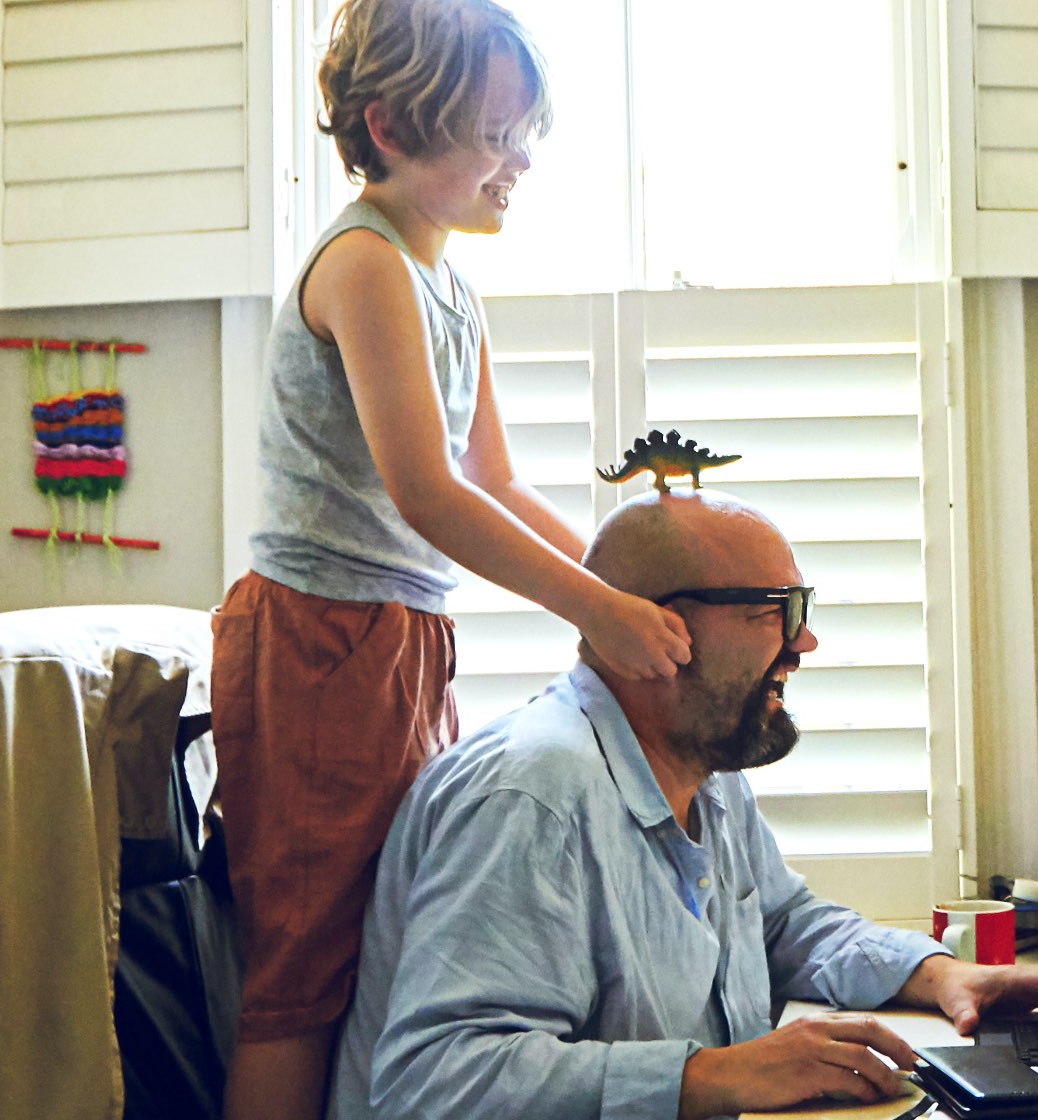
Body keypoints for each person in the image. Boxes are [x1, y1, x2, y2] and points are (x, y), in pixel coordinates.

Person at [212, 3, 693, 1117]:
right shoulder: (365, 265)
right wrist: (598, 614)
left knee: (387, 931)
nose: (520, 161)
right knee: (302, 971)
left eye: (528, 134)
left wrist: (629, 588)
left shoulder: (449, 286)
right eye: (495, 134)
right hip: (321, 640)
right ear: (389, 126)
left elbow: (499, 483)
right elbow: (427, 491)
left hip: (399, 639)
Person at [329, 491, 1038, 1120]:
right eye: (774, 610)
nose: (804, 644)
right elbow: (432, 1080)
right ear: (655, 627)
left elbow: (780, 925)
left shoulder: (706, 767)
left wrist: (940, 974)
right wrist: (709, 1079)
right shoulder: (530, 798)